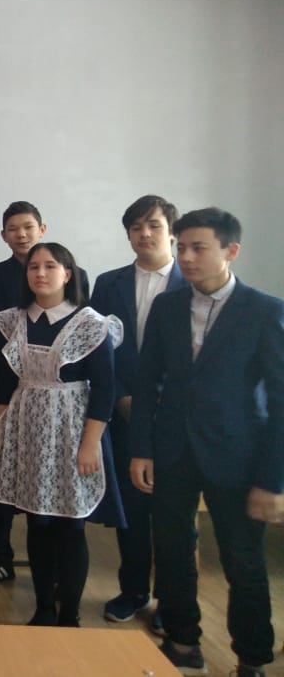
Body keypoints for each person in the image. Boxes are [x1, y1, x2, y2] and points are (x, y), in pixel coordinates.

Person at [130, 208, 284, 677]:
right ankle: (182, 640)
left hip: (237, 456)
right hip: (173, 450)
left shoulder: (264, 310)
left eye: (199, 248)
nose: (187, 257)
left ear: (230, 251)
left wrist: (273, 480)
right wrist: (142, 448)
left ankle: (252, 658)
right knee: (173, 551)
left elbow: (281, 401)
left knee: (243, 561)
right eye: (182, 247)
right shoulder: (168, 306)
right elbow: (147, 380)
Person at [0, 242, 124, 627]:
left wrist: (90, 445)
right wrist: (0, 437)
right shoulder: (13, 321)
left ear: (68, 274)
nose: (41, 273)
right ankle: (44, 607)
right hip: (27, 430)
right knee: (36, 521)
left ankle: (70, 614)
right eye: (34, 267)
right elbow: (4, 384)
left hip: (73, 433)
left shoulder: (91, 324)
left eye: (50, 266)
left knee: (70, 523)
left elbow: (105, 390)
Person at [0, 201, 91, 590]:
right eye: (13, 228)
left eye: (28, 227)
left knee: (53, 480)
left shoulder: (75, 273)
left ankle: (55, 569)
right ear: (3, 235)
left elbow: (82, 337)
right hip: (7, 391)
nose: (21, 234)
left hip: (59, 401)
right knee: (3, 475)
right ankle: (0, 557)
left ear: (42, 228)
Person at [89, 195, 185, 632]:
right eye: (135, 227)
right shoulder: (108, 284)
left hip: (177, 419)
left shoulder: (191, 283)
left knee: (173, 516)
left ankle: (171, 600)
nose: (144, 234)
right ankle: (133, 590)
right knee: (131, 511)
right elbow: (96, 349)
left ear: (171, 231)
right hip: (124, 413)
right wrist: (122, 397)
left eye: (153, 225)